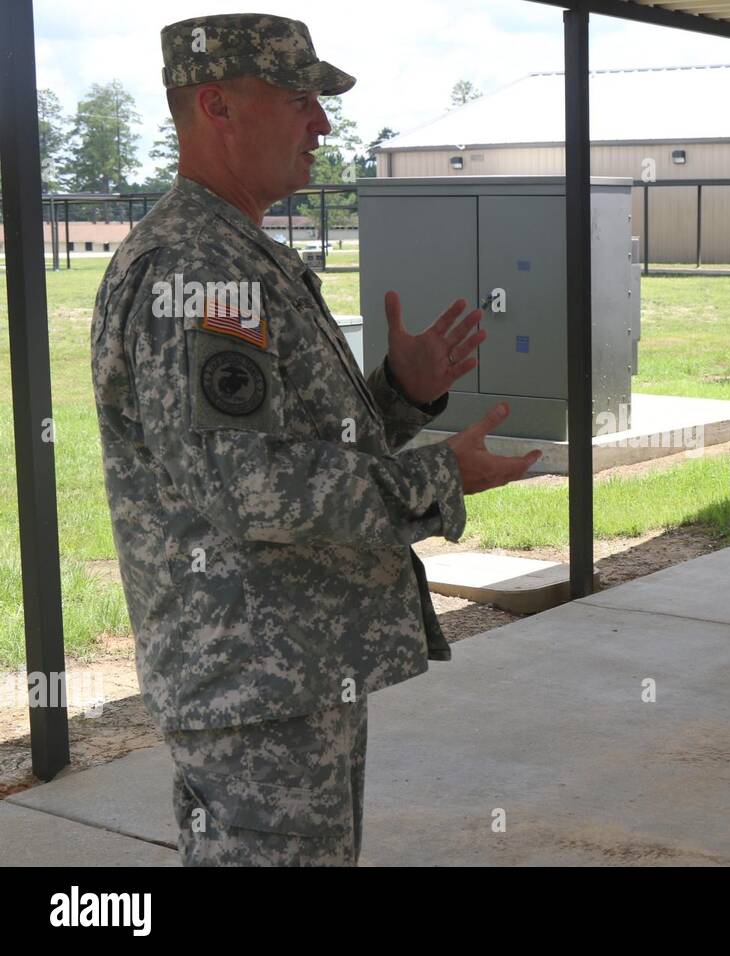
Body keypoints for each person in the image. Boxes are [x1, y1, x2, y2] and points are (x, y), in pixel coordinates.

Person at [90, 13, 540, 866]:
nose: (323, 125)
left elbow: (275, 447)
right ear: (217, 106)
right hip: (252, 681)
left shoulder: (232, 253)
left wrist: (398, 398)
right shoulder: (197, 271)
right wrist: (438, 477)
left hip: (282, 671)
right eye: (300, 100)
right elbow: (244, 487)